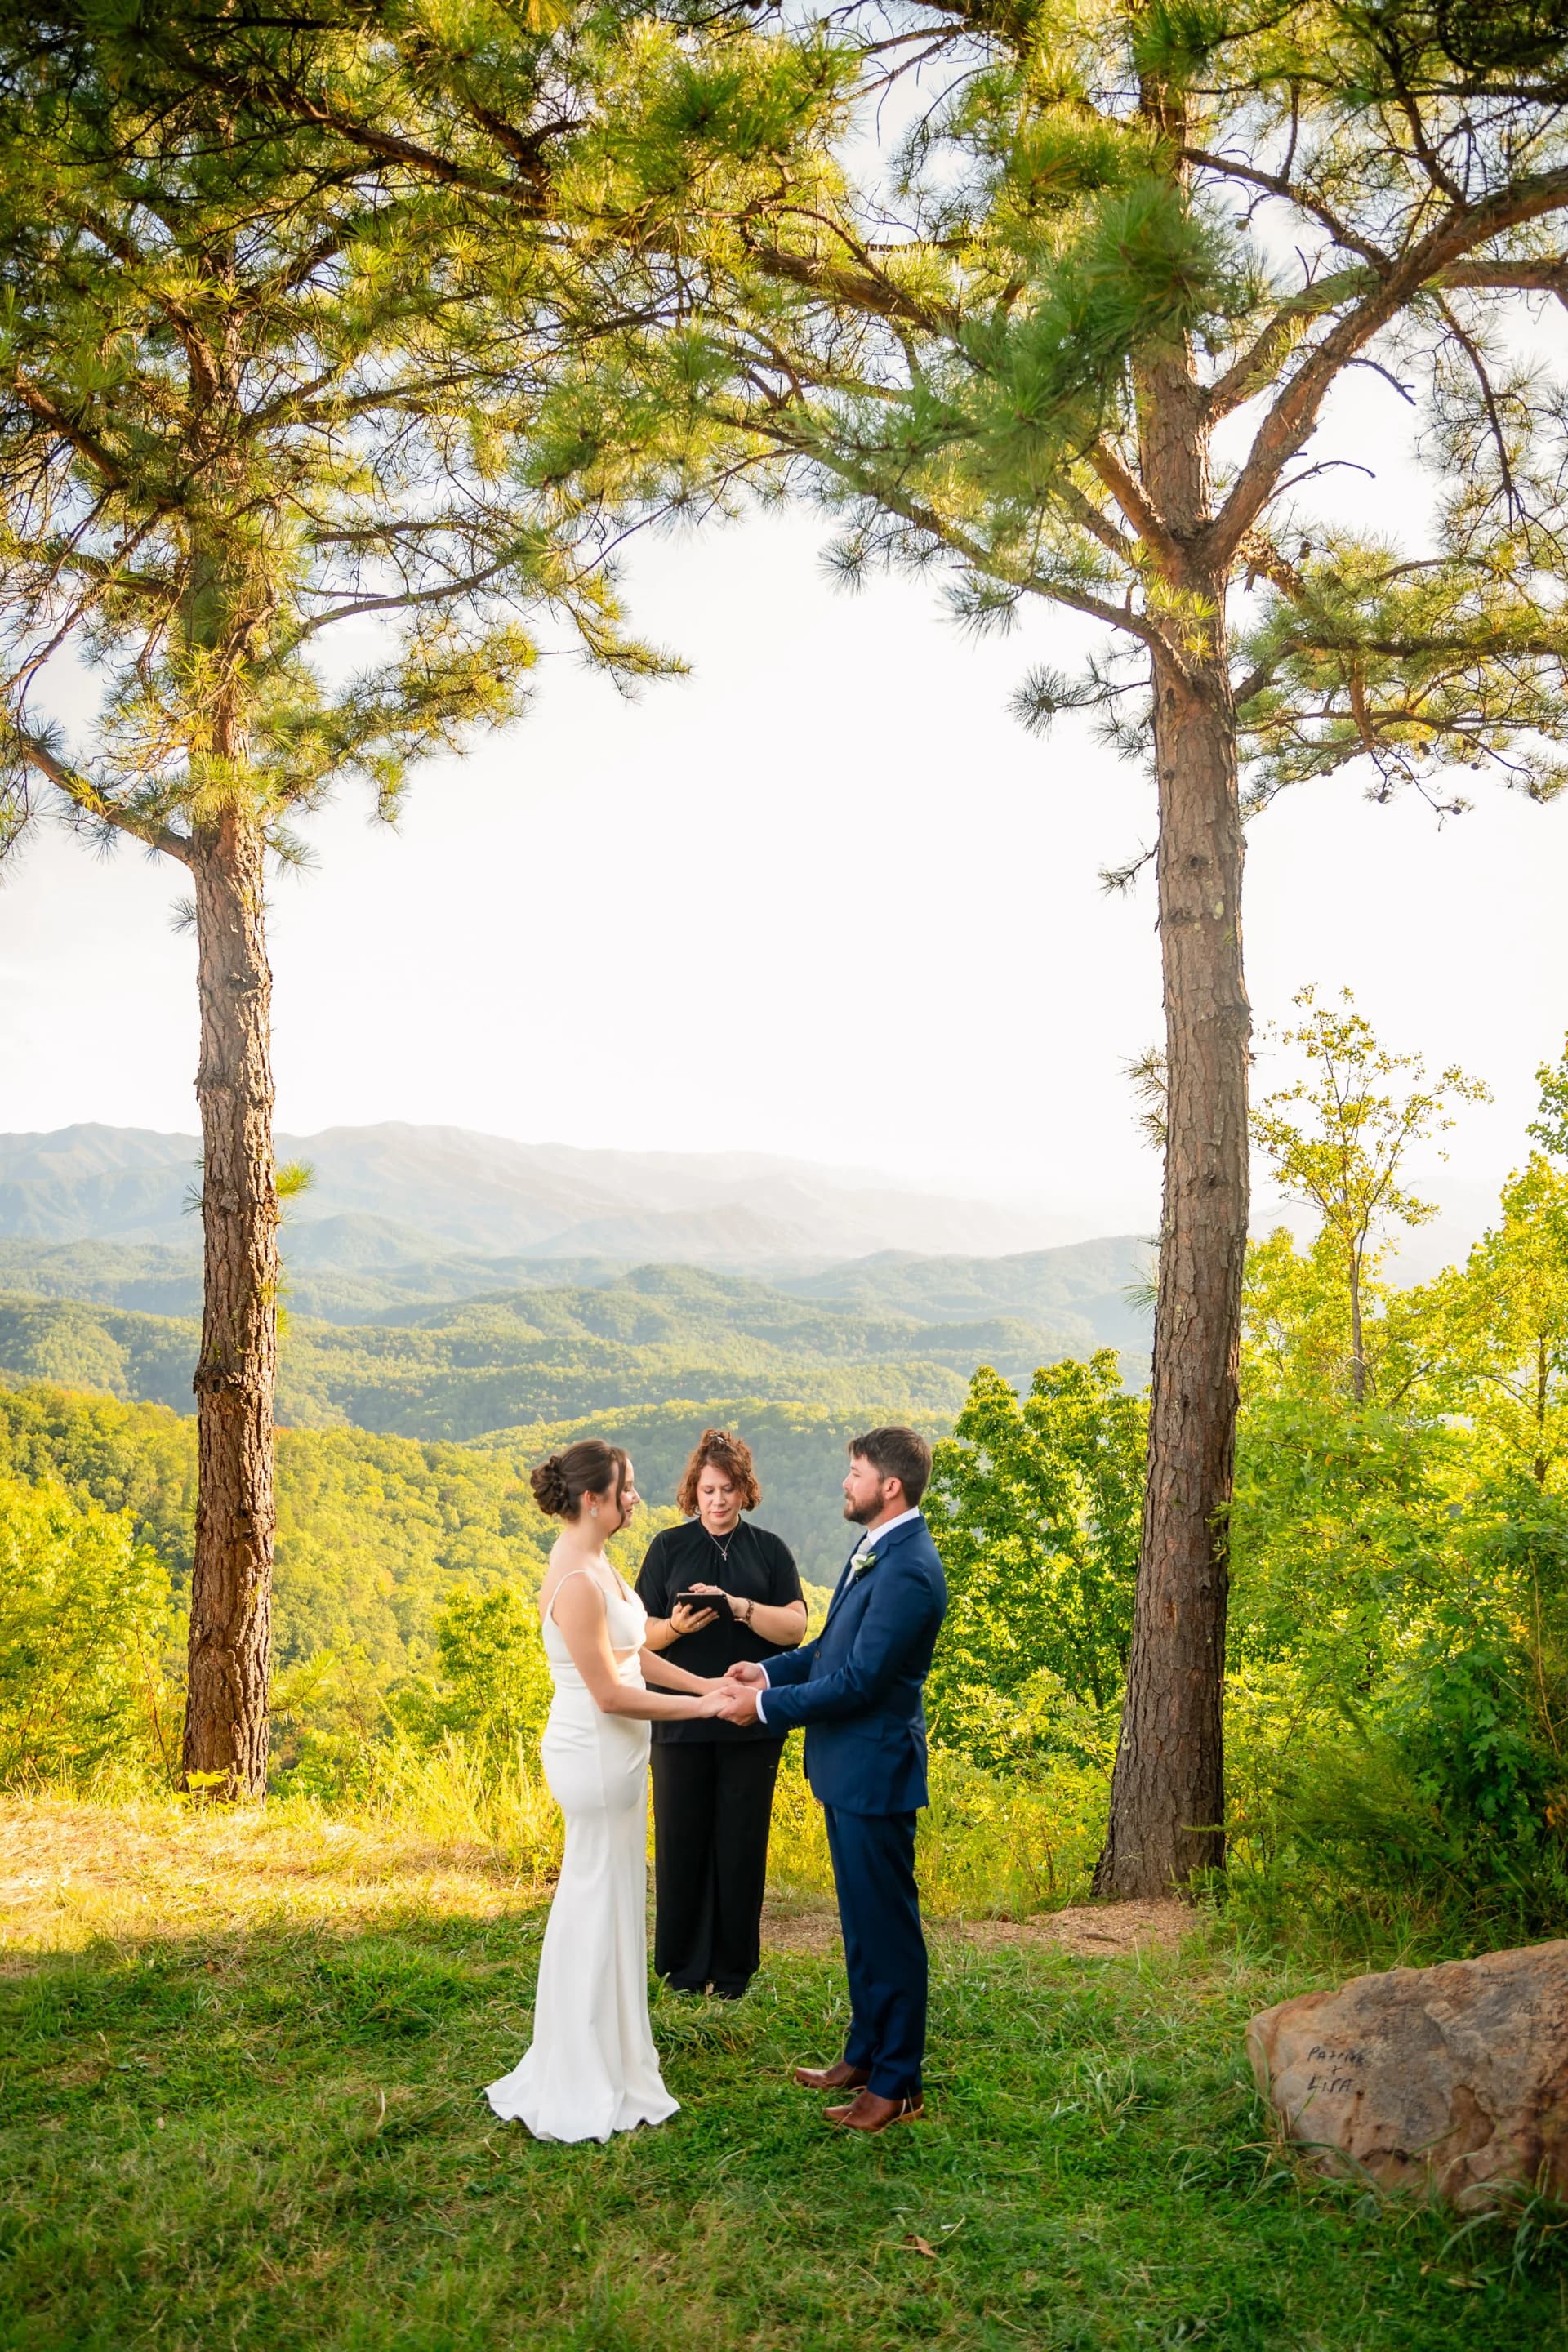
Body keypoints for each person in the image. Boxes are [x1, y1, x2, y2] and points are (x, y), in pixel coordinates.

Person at [484, 1438, 733, 2145]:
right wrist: (706, 1710)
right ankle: (579, 2070)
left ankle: (615, 2054)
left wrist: (705, 1683)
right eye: (625, 1488)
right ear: (591, 1499)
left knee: (616, 1897)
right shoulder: (574, 1578)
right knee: (593, 1901)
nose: (634, 1498)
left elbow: (636, 1651)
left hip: (617, 1756)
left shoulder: (598, 1562)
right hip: (594, 1755)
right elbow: (611, 1693)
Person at [718, 1425, 947, 2134]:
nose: (845, 1483)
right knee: (860, 1926)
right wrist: (768, 1669)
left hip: (876, 1769)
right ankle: (864, 2054)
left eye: (855, 1472)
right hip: (848, 1769)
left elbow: (858, 1683)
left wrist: (758, 1707)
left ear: (890, 1487)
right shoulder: (877, 1545)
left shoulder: (909, 1568)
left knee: (889, 1932)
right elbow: (827, 1649)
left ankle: (898, 2084)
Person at [636, 1427, 806, 1996]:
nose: (718, 1500)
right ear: (694, 1490)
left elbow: (796, 1627)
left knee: (741, 1847)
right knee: (680, 1845)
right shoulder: (666, 1548)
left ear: (744, 1490)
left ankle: (734, 1972)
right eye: (708, 1489)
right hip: (680, 1722)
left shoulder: (771, 1550)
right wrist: (675, 1627)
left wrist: (737, 1607)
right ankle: (681, 1971)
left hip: (751, 1723)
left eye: (728, 1489)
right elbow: (638, 1636)